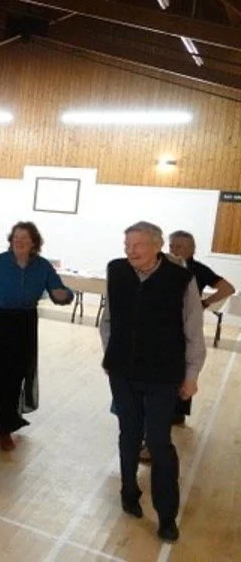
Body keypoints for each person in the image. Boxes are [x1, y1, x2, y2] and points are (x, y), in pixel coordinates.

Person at [100, 221, 206, 543]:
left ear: (157, 246)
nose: (129, 250)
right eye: (127, 243)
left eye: (138, 245)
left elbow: (193, 331)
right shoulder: (116, 271)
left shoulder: (181, 279)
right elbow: (108, 319)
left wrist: (191, 376)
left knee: (158, 442)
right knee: (128, 434)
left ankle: (167, 515)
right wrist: (110, 355)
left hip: (162, 375)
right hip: (123, 373)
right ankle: (128, 491)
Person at [0, 221, 74, 451]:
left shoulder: (42, 266)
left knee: (19, 370)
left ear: (34, 243)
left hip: (25, 321)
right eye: (15, 237)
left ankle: (7, 418)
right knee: (3, 369)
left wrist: (63, 294)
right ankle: (5, 425)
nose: (18, 241)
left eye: (24, 238)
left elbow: (60, 291)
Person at [167, 230, 235, 425]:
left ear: (192, 249)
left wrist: (204, 303)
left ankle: (177, 412)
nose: (174, 250)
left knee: (184, 365)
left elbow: (228, 288)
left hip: (186, 326)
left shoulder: (198, 270)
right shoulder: (161, 266)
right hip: (162, 324)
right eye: (172, 245)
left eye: (179, 246)